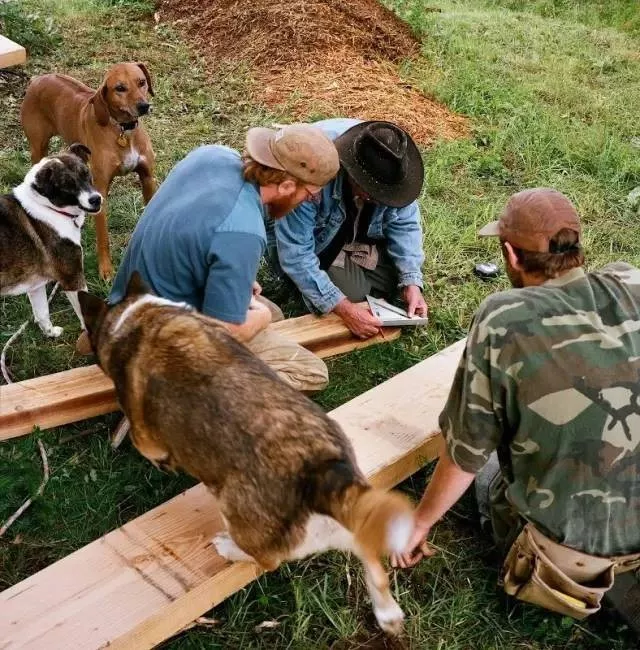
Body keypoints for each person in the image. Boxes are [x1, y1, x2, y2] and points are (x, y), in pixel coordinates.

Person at [393, 188, 640, 622]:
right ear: (578, 246)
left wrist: (419, 523)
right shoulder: (631, 283)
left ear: (509, 253)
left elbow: (465, 453)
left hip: (564, 571)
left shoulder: (502, 316)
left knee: (489, 472)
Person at [108, 124, 340, 393]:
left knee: (273, 313)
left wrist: (236, 273)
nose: (310, 201)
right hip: (155, 344)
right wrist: (260, 317)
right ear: (287, 185)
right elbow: (221, 338)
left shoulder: (213, 155)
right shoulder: (244, 232)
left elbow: (202, 230)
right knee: (309, 372)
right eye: (310, 195)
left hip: (127, 304)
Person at [270, 118, 427, 340]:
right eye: (372, 192)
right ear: (351, 172)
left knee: (396, 284)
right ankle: (324, 279)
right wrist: (345, 310)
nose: (377, 199)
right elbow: (296, 255)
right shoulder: (312, 172)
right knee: (352, 297)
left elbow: (405, 224)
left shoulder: (392, 166)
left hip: (355, 237)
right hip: (312, 241)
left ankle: (349, 267)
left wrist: (412, 282)